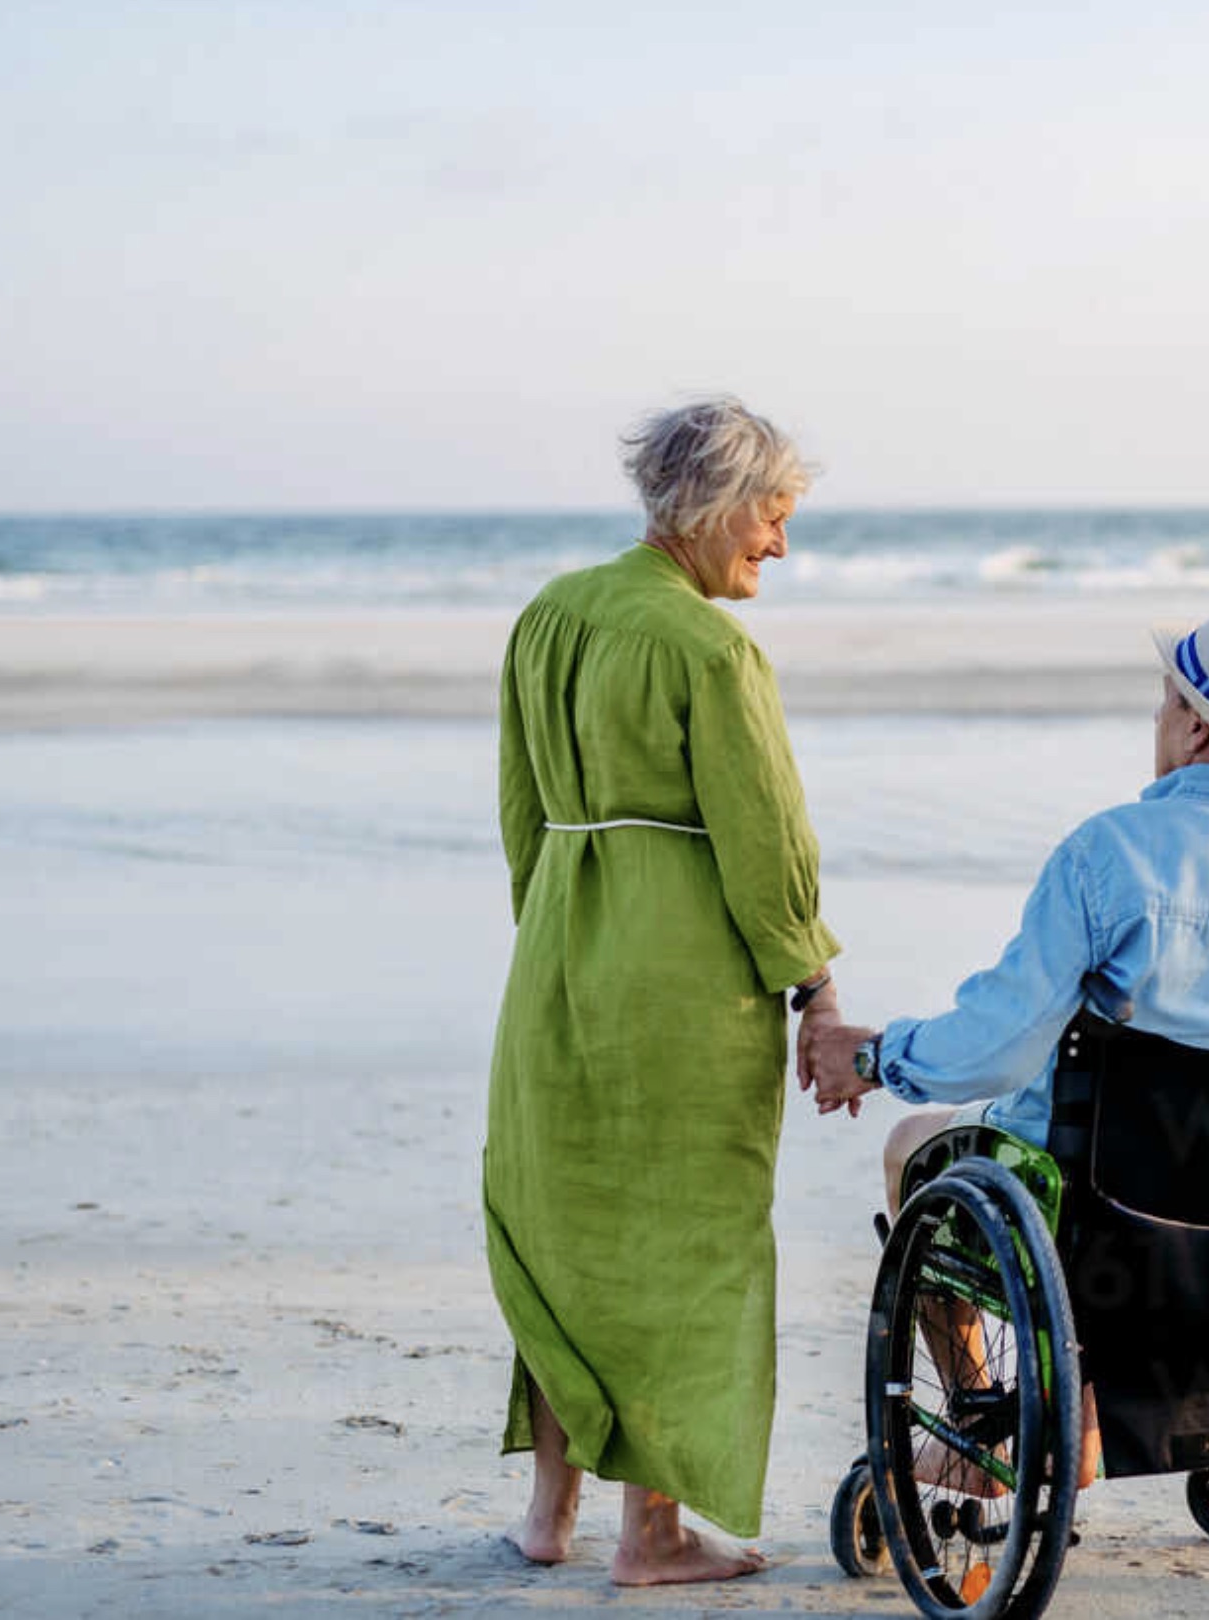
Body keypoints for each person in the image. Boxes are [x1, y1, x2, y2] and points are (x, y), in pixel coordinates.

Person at [485, 397, 841, 1585]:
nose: (778, 545)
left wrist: (562, 935)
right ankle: (652, 1534)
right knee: (687, 1235)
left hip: (555, 958)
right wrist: (816, 993)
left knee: (560, 1229)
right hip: (685, 979)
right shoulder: (710, 648)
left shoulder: (549, 617)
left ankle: (549, 1517)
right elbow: (764, 845)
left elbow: (520, 817)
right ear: (713, 505)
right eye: (771, 517)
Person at [803, 586, 1209, 1209]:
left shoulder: (1108, 857)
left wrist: (873, 1058)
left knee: (908, 1148)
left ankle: (962, 1335)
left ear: (1197, 727)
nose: (1157, 717)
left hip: (1097, 1214)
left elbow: (995, 1049)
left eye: (1166, 699)